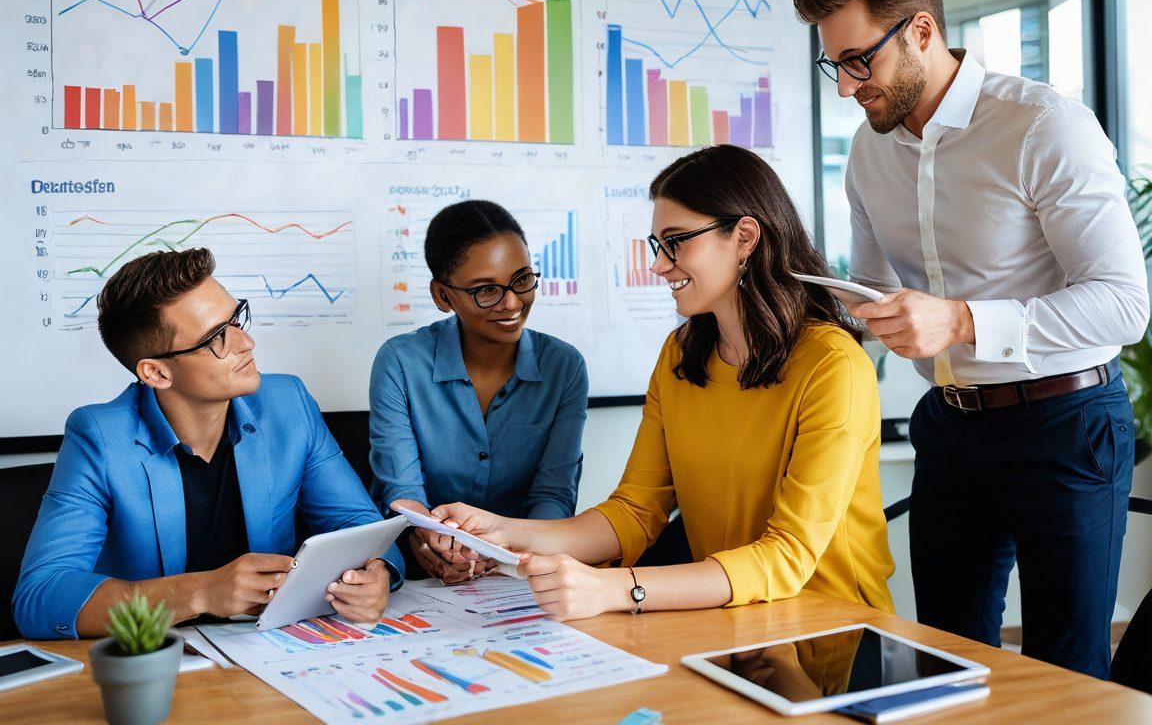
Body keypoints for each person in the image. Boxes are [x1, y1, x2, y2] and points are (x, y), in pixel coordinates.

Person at [793, 0, 1148, 679]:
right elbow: (873, 291)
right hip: (951, 427)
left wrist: (958, 320)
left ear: (921, 29)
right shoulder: (868, 150)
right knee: (948, 660)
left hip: (1068, 425)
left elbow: (1123, 306)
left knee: (1066, 673)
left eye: (861, 61)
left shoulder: (1044, 127)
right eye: (835, 63)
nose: (847, 86)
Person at [415, 146, 894, 619]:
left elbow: (786, 557)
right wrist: (500, 530)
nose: (659, 264)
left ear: (744, 237)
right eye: (657, 246)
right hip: (731, 619)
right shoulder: (682, 355)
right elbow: (635, 510)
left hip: (836, 630)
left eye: (677, 242)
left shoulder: (833, 366)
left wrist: (616, 589)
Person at [14, 248, 404, 639]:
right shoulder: (99, 436)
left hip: (272, 646)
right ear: (157, 373)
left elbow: (358, 525)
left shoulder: (288, 404)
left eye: (237, 319)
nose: (246, 342)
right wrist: (200, 591)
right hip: (161, 658)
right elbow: (40, 596)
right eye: (217, 337)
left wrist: (376, 574)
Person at [371, 200, 588, 582]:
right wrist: (434, 542)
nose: (511, 302)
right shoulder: (400, 363)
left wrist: (505, 554)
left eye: (522, 279)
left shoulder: (564, 367)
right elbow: (403, 493)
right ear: (442, 296)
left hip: (521, 569)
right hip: (424, 571)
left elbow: (554, 496)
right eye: (486, 290)